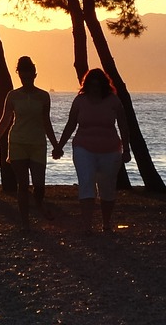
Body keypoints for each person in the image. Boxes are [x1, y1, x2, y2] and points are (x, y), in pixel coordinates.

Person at [54, 68, 131, 234]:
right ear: (86, 85)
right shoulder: (79, 101)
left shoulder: (113, 101)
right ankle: (87, 225)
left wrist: (126, 149)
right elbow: (71, 124)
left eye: (98, 85)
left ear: (104, 86)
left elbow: (123, 126)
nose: (95, 89)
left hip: (110, 149)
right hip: (83, 147)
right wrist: (59, 146)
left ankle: (106, 223)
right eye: (92, 85)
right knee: (86, 182)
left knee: (107, 187)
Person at [0, 56, 59, 231]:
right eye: (23, 77)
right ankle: (25, 222)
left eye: (29, 76)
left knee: (39, 184)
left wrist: (56, 145)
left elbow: (46, 122)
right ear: (19, 75)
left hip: (37, 143)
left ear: (35, 74)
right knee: (23, 185)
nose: (26, 80)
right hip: (17, 142)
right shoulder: (13, 96)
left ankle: (39, 204)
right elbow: (4, 121)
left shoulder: (43, 96)